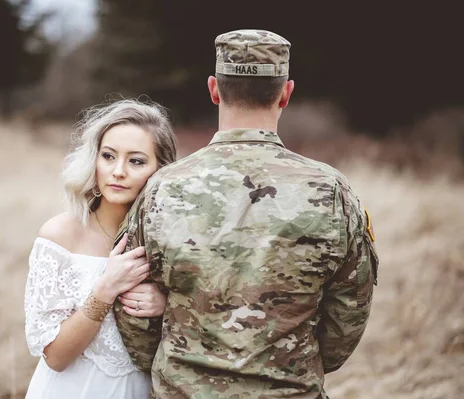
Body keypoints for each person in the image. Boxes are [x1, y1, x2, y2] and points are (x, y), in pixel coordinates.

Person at [113, 30, 379, 398]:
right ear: (285, 93)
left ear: (214, 90)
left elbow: (131, 304)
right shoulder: (331, 191)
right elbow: (348, 315)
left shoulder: (162, 188)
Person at [23, 98, 178, 399]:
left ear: (161, 169)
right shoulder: (60, 235)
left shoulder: (173, 241)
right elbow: (55, 357)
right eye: (108, 156)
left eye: (136, 161)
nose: (118, 171)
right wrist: (105, 289)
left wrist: (167, 306)